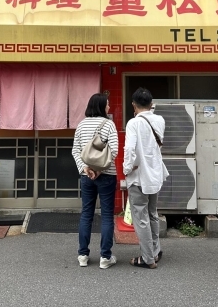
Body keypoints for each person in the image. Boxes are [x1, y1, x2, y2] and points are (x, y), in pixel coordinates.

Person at [71, 93, 119, 269]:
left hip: (86, 176)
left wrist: (85, 169)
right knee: (106, 215)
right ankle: (105, 257)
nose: (109, 107)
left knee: (86, 214)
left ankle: (83, 255)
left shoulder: (81, 125)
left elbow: (75, 150)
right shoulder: (109, 125)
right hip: (106, 175)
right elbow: (114, 151)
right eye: (107, 105)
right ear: (100, 106)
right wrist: (99, 170)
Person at [123, 87, 168, 269]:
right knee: (152, 214)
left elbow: (129, 149)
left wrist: (127, 168)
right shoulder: (160, 120)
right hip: (155, 174)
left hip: (139, 177)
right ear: (151, 104)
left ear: (133, 105)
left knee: (140, 217)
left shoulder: (134, 123)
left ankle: (147, 258)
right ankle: (155, 251)